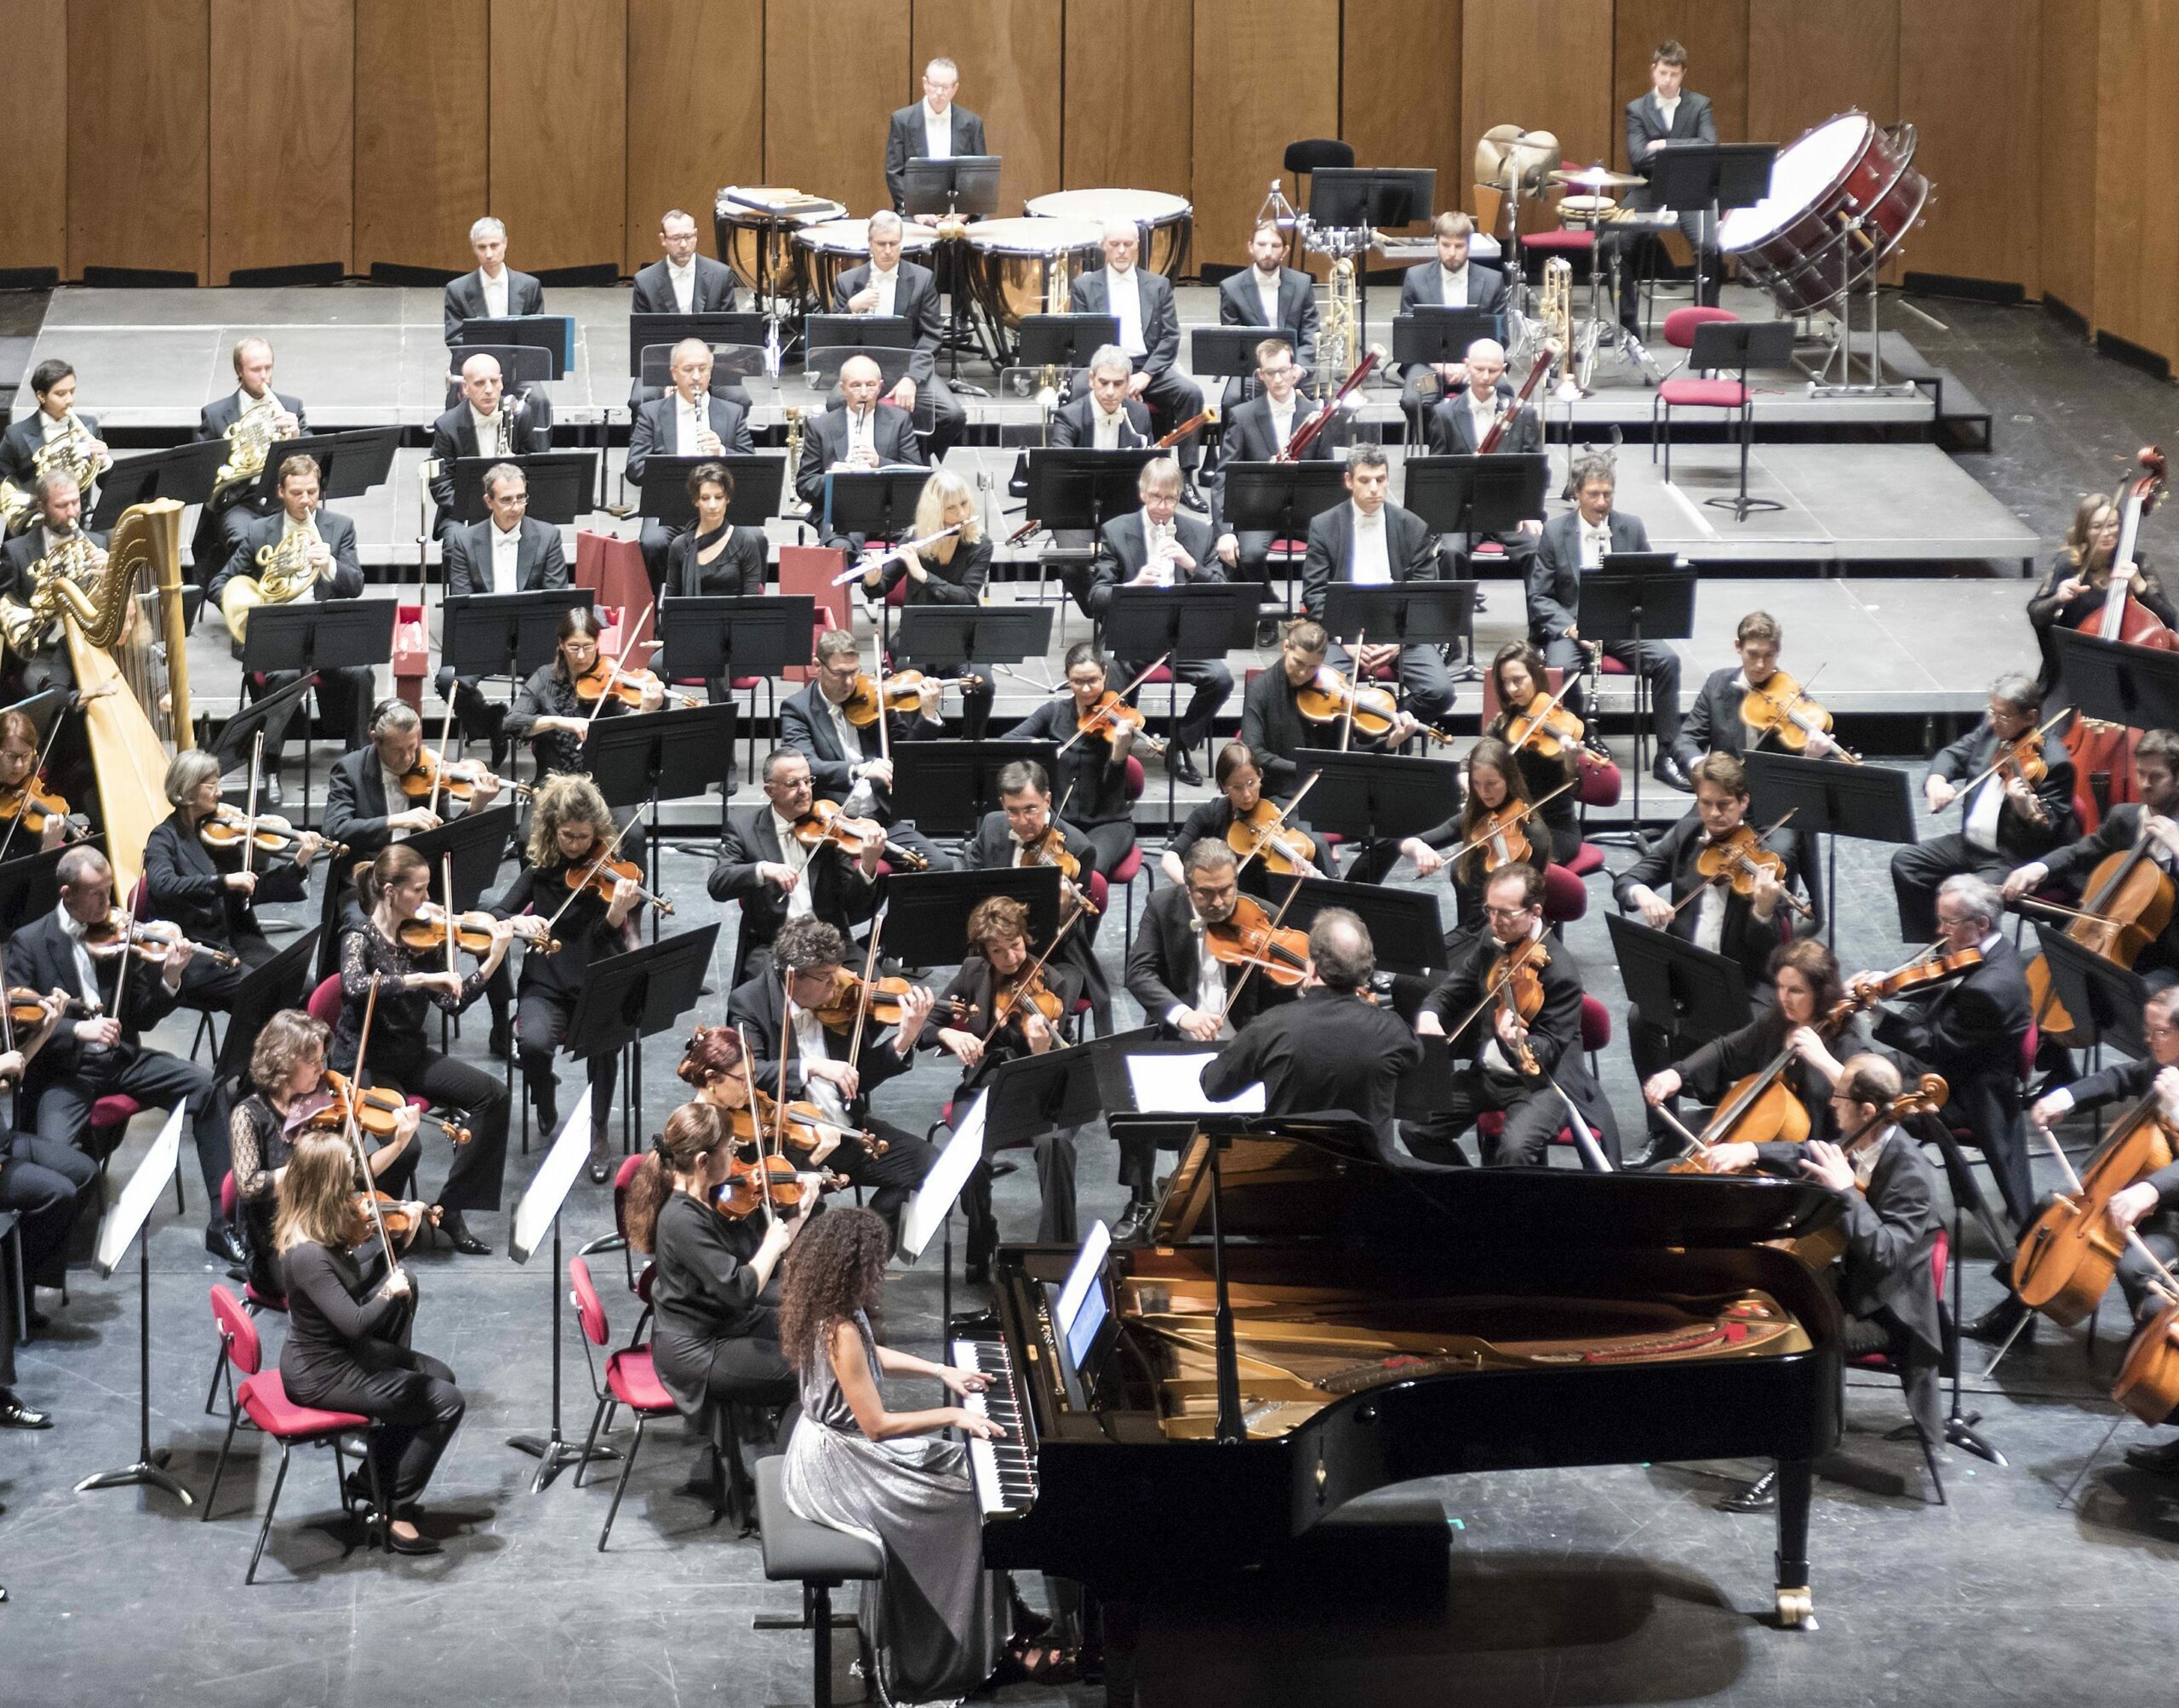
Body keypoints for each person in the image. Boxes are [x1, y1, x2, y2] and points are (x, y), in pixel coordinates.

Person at [778, 1206, 1072, 1700]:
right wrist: (955, 1416)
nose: (881, 1272)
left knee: (966, 1473)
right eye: (875, 1264)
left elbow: (870, 1357)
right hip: (839, 1466)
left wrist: (941, 1372)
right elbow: (877, 1426)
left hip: (833, 1447)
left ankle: (1001, 1623)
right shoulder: (841, 1329)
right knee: (962, 1503)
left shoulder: (830, 1308)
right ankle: (943, 1657)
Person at [1708, 1054, 1944, 1513]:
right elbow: (1811, 1151)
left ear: (1867, 1111)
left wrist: (1843, 1193)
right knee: (1768, 1295)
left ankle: (1797, 1451)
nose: (1832, 1105)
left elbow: (1888, 1253)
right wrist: (1752, 1150)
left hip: (1888, 1312)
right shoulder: (1861, 1138)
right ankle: (1770, 1419)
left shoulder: (1911, 1172)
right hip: (1855, 1287)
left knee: (1800, 1334)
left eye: (1839, 1098)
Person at [6, 845, 239, 1260]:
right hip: (65, 1073)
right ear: (67, 894)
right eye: (97, 894)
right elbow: (19, 1019)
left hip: (122, 1060)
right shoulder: (30, 943)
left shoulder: (119, 934)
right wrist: (77, 1028)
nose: (109, 903)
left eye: (111, 890)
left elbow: (143, 1016)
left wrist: (169, 979)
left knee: (206, 1086)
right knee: (55, 1157)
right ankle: (50, 1261)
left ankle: (223, 1223)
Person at [1614, 751, 1816, 1156]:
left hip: (1744, 983)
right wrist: (1645, 896)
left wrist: (1762, 909)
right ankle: (1662, 1128)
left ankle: (1749, 1130)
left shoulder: (1765, 855)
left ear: (1743, 803)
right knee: (1641, 1017)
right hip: (1689, 973)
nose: (1714, 814)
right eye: (1706, 803)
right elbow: (1630, 878)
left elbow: (1768, 955)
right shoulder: (1688, 834)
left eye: (1724, 805)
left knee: (1770, 1031)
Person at [274, 1130, 464, 1556]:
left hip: (341, 1355)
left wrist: (396, 1242)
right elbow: (355, 1321)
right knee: (446, 1401)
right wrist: (388, 1291)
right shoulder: (307, 1254)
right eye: (347, 1176)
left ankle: (370, 1480)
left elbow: (352, 1278)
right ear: (327, 1186)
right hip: (322, 1373)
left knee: (440, 1377)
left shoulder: (323, 1227)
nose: (355, 1184)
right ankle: (392, 1507)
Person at [2017, 987, 2179, 1461]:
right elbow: (2121, 1076)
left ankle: (2155, 1366)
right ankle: (2015, 1312)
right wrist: (2066, 1096)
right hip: (2152, 1201)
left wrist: (2152, 1186)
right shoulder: (2165, 1065)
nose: (2149, 1042)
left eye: (2159, 1033)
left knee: (2135, 1269)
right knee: (2046, 1210)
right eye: (2146, 1031)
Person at [625, 1097, 809, 1507]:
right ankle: (788, 1495)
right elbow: (741, 1287)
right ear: (705, 1159)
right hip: (697, 1349)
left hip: (721, 1322)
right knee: (811, 1378)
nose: (737, 1155)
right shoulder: (682, 1220)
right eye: (730, 1148)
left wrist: (797, 1212)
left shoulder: (704, 1198)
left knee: (808, 1326)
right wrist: (775, 1243)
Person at [335, 844, 516, 1255]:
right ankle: (378, 1224)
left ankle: (450, 1208)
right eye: (419, 890)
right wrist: (419, 980)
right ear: (389, 891)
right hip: (364, 1061)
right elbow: (355, 986)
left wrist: (492, 959)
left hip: (409, 1056)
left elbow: (452, 1002)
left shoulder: (423, 939)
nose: (428, 900)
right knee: (409, 1145)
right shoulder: (357, 934)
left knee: (494, 1095)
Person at [725, 917, 940, 1242]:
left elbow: (860, 1078)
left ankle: (865, 1250)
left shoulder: (839, 1003)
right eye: (825, 978)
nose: (835, 985)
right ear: (793, 975)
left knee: (931, 1165)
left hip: (847, 1132)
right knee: (809, 1222)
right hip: (793, 1143)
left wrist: (903, 1041)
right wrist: (811, 1066)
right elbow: (750, 1076)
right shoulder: (749, 1002)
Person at [1127, 840, 1302, 1232]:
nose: (1220, 901)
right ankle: (1139, 1200)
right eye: (1206, 893)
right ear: (1188, 886)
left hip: (1245, 1043)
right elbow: (1139, 973)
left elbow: (1282, 1000)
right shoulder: (1162, 906)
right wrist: (1183, 1016)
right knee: (1132, 1101)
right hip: (1180, 1039)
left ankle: (1260, 1199)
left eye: (1227, 889)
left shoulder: (1262, 915)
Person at [1851, 872, 2035, 1230]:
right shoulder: (1996, 948)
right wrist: (1888, 980)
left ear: (1981, 924)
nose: (1940, 931)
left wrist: (1876, 1013)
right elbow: (1942, 985)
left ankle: (1874, 1197)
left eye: (1949, 923)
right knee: (1860, 1070)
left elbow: (1935, 1047)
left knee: (1863, 1099)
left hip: (1965, 1092)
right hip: (1964, 1056)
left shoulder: (1988, 989)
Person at [487, 774, 646, 1183]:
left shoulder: (611, 873)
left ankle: (597, 1129)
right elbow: (498, 913)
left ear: (598, 833)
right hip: (548, 983)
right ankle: (544, 1093)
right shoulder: (541, 872)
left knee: (606, 1045)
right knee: (533, 1045)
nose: (575, 846)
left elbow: (603, 940)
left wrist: (616, 916)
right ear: (552, 830)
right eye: (567, 836)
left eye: (583, 837)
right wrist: (524, 925)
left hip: (597, 979)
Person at [1409, 863, 1621, 1166]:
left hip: (1542, 1084)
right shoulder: (1491, 940)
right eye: (1490, 910)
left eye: (1505, 913)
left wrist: (1518, 1043)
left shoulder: (1561, 973)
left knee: (1515, 1149)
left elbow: (1549, 1048)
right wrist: (1430, 1013)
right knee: (1416, 1128)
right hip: (1488, 1075)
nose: (1495, 921)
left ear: (1535, 912)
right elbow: (1453, 989)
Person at [929, 894, 1083, 1271]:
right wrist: (951, 1036)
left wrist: (1039, 1047)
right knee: (970, 1155)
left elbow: (1058, 1061)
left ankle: (1055, 1253)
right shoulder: (972, 973)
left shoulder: (1055, 981)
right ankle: (982, 1238)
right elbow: (932, 1021)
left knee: (1057, 1144)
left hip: (1039, 1083)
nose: (1011, 959)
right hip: (988, 1082)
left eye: (1014, 946)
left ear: (1025, 938)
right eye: (998, 952)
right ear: (985, 952)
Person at [230, 1008, 420, 1305]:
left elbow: (356, 1174)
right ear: (283, 1063)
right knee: (371, 1279)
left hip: (325, 1229)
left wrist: (398, 1144)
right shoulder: (249, 1115)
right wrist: (310, 1168)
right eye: (313, 1062)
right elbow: (249, 1185)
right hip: (280, 1248)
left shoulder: (323, 1108)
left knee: (397, 1249)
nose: (322, 1070)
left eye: (323, 1059)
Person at [209, 453, 373, 792]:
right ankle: (270, 766)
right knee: (284, 677)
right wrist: (252, 603)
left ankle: (358, 762)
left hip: (324, 638)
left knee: (361, 673)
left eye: (312, 492)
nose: (306, 500)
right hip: (277, 640)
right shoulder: (259, 532)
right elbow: (219, 584)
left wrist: (330, 564)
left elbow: (355, 584)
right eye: (297, 492)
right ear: (281, 491)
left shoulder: (340, 527)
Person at [1529, 454, 1685, 790]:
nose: (1602, 503)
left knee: (1667, 661)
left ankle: (1668, 754)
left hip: (1620, 625)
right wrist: (1571, 628)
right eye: (1594, 494)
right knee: (1561, 669)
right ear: (1576, 493)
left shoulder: (1632, 526)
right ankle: (1585, 736)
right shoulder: (1555, 533)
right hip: (1572, 627)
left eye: (1608, 494)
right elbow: (1539, 597)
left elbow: (1648, 583)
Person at [1640, 938, 1869, 1163]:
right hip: (1757, 1142)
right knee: (1663, 1170)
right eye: (1780, 986)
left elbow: (1869, 1099)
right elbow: (1727, 1051)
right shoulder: (1778, 1022)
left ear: (1821, 993)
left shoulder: (1847, 1044)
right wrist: (1678, 1074)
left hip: (1806, 1161)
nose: (1784, 998)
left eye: (1796, 991)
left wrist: (1823, 1060)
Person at [1202, 907, 1421, 1141]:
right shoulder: (1392, 1030)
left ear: (1312, 967)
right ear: (1365, 972)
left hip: (1295, 1169)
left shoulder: (1269, 1027)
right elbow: (1414, 1060)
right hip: (1369, 1171)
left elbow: (1213, 1086)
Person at [1080, 457, 1233, 784]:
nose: (1163, 507)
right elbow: (1097, 597)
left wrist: (1192, 565)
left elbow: (1222, 591)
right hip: (1131, 635)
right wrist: (1131, 587)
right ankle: (1113, 751)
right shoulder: (1117, 531)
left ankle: (1178, 745)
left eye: (1171, 499)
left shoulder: (1199, 533)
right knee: (1111, 664)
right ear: (1142, 493)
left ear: (1180, 496)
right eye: (1155, 497)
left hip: (1182, 635)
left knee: (1220, 678)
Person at [1892, 674, 2076, 943]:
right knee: (1906, 862)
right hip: (1970, 844)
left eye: (2002, 716)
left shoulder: (2055, 763)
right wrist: (1937, 780)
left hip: (2010, 857)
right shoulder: (1991, 732)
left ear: (2031, 717)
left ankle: (1974, 959)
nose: (1993, 721)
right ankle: (1937, 948)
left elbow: (2048, 830)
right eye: (1991, 712)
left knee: (1971, 902)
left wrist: (2023, 807)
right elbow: (1952, 755)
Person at [144, 748, 324, 1014]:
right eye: (212, 785)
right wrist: (223, 881)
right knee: (263, 998)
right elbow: (163, 885)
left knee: (303, 987)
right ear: (188, 789)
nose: (220, 793)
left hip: (236, 937)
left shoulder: (220, 833)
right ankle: (255, 1056)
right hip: (196, 950)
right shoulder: (164, 838)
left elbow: (253, 888)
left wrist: (298, 864)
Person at [2003, 727, 2179, 989]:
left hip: (2168, 959)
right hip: (2112, 942)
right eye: (2140, 773)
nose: (2144, 784)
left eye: (2156, 777)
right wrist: (2039, 868)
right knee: (2026, 968)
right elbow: (2079, 853)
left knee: (2127, 1000)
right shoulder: (2125, 817)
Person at [1300, 444, 1455, 727]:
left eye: (1380, 479)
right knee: (1323, 693)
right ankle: (1368, 734)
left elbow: (1424, 593)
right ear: (1349, 481)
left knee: (1440, 692)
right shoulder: (1324, 526)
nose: (1374, 488)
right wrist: (1343, 639)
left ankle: (1385, 724)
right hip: (1343, 629)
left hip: (1400, 631)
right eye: (1365, 480)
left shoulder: (1413, 526)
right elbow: (1315, 593)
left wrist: (1397, 642)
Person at [779, 626, 947, 871]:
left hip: (880, 821)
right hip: (830, 824)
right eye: (839, 674)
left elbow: (905, 755)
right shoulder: (797, 709)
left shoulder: (874, 698)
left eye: (854, 672)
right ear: (818, 666)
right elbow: (806, 766)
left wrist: (928, 715)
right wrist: (858, 770)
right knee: (846, 886)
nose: (849, 683)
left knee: (940, 866)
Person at [711, 748, 881, 986]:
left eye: (807, 781)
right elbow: (718, 884)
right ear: (770, 791)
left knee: (874, 994)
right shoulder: (743, 828)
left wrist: (868, 865)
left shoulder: (830, 826)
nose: (804, 790)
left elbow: (852, 905)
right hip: (774, 945)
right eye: (793, 784)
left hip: (828, 943)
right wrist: (762, 869)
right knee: (777, 994)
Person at [861, 467, 995, 741]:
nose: (962, 515)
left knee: (983, 684)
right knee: (910, 685)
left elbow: (968, 599)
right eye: (952, 509)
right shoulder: (915, 541)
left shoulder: (981, 545)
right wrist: (873, 579)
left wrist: (923, 576)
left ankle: (972, 744)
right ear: (935, 513)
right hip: (917, 636)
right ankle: (919, 746)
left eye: (965, 504)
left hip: (962, 638)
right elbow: (880, 588)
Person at [1070, 220, 1206, 486]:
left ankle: (1187, 477)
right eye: (1115, 244)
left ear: (1137, 247)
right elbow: (1083, 338)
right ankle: (1079, 469)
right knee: (1077, 390)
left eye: (1128, 244)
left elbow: (1170, 337)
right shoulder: (1084, 286)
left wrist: (1145, 375)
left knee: (1192, 393)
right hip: (1106, 365)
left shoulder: (1158, 285)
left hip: (1147, 368)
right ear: (1103, 247)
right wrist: (1116, 377)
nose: (1121, 250)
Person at [1210, 337, 1338, 620]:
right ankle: (1270, 607)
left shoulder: (1315, 416)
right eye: (1270, 372)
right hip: (1260, 511)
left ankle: (1314, 611)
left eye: (1283, 370)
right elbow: (1223, 478)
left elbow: (1329, 471)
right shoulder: (1242, 416)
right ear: (1260, 375)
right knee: (1251, 555)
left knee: (1336, 547)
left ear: (1295, 370)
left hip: (1306, 509)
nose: (1278, 378)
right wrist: (1225, 531)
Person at [1002, 643, 1145, 878]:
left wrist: (1119, 754)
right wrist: (1048, 749)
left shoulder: (1117, 722)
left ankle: (1087, 917)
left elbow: (1113, 796)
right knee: (1040, 871)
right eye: (1078, 681)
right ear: (1067, 678)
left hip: (1109, 823)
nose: (1087, 689)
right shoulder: (1054, 713)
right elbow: (1009, 740)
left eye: (1094, 680)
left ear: (1105, 675)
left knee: (1087, 871)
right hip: (1062, 822)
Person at [832, 209, 965, 460]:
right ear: (869, 244)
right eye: (881, 244)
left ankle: (915, 459)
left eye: (894, 244)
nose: (888, 250)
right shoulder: (847, 282)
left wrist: (911, 379)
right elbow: (834, 338)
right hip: (863, 370)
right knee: (835, 405)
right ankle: (853, 460)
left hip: (907, 366)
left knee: (952, 415)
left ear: (901, 243)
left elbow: (932, 336)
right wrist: (851, 307)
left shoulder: (922, 279)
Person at [626, 339, 756, 594]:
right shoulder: (651, 413)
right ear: (674, 373)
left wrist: (722, 452)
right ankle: (655, 614)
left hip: (721, 507)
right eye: (688, 370)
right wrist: (674, 466)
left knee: (756, 539)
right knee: (652, 543)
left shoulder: (732, 412)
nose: (696, 377)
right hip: (669, 509)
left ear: (711, 370)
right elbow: (635, 468)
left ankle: (747, 610)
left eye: (703, 369)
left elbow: (751, 467)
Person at [1614, 39, 1721, 334]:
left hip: (1689, 187)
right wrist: (1686, 149)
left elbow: (1709, 145)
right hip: (1647, 187)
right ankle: (1627, 323)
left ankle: (1706, 324)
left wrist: (1664, 145)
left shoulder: (1700, 104)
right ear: (1653, 70)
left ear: (1683, 73)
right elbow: (1638, 157)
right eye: (1663, 73)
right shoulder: (1636, 109)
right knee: (1616, 244)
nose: (1668, 80)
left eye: (1674, 75)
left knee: (1710, 246)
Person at [0, 996, 93, 1317]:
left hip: (4, 1139)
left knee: (83, 1172)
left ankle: (27, 1277)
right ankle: (14, 1292)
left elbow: (15, 1073)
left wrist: (46, 1030)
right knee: (58, 1193)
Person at [2028, 492, 2170, 699]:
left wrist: (2142, 589)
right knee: (2055, 731)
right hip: (2075, 674)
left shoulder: (2135, 562)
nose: (2107, 533)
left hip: (2129, 676)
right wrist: (2057, 598)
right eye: (2098, 527)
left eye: (2113, 525)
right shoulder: (2068, 565)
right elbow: (2036, 614)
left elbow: (2171, 622)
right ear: (2084, 530)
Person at [501, 603, 664, 783]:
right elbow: (510, 722)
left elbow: (629, 749)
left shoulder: (611, 680)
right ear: (561, 644)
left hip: (602, 784)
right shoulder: (544, 677)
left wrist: (646, 712)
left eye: (587, 646)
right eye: (574, 647)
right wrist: (559, 722)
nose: (581, 656)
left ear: (597, 643)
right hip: (553, 784)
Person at [1161, 740, 1338, 900]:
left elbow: (1316, 844)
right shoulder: (1209, 813)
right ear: (1223, 786)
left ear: (1260, 777)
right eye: (1237, 787)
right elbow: (1170, 857)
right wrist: (1192, 889)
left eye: (1252, 783)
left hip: (1271, 907)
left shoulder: (1277, 811)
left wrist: (1301, 880)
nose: (1246, 795)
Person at [191, 335, 306, 576]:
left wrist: (296, 436)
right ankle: (251, 604)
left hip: (282, 499)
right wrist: (238, 449)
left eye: (268, 368)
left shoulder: (291, 407)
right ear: (239, 371)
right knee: (245, 537)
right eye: (256, 369)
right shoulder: (215, 415)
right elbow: (201, 472)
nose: (264, 376)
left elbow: (311, 463)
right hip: (237, 502)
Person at [0, 472, 108, 702]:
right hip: (42, 654)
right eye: (61, 505)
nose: (71, 512)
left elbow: (114, 608)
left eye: (75, 502)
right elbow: (4, 613)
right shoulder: (16, 552)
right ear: (42, 506)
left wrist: (109, 576)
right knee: (55, 692)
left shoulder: (98, 543)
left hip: (89, 648)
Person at [426, 352, 553, 546]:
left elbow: (537, 468)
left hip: (512, 505)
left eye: (494, 382)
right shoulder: (447, 425)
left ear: (502, 383)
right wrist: (481, 509)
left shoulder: (520, 415)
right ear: (465, 388)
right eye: (479, 383)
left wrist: (517, 468)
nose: (488, 390)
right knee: (456, 543)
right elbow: (440, 484)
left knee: (544, 538)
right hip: (462, 511)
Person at [795, 354, 924, 545]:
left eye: (870, 385)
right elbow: (805, 485)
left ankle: (883, 576)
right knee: (841, 547)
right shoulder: (821, 427)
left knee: (921, 543)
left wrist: (880, 462)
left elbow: (915, 474)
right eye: (856, 386)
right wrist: (832, 478)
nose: (864, 393)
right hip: (842, 517)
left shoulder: (899, 421)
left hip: (888, 515)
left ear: (880, 387)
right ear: (843, 388)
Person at [1397, 213, 1509, 414]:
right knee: (1414, 399)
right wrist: (1441, 366)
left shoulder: (1492, 280)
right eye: (1446, 245)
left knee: (1502, 394)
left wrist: (1470, 366)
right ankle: (1438, 445)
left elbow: (1501, 338)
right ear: (1436, 242)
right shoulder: (1415, 278)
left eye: (1459, 246)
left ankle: (1482, 446)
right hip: (1430, 367)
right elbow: (1410, 337)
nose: (1451, 253)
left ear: (1469, 245)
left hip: (1478, 368)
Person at [1484, 642, 1585, 865]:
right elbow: (1477, 758)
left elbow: (1576, 783)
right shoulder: (1502, 723)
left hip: (1554, 830)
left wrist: (1570, 758)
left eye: (1518, 680)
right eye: (1505, 682)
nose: (1511, 689)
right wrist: (1466, 776)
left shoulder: (1562, 723)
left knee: (1513, 865)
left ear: (1536, 676)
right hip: (1512, 823)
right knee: (1470, 866)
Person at [1215, 223, 1319, 409]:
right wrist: (1265, 371)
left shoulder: (1302, 283)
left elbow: (1310, 334)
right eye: (1261, 245)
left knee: (1326, 401)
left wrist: (1299, 368)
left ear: (1285, 250)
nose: (1268, 251)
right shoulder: (1231, 288)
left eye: (1275, 245)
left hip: (1293, 366)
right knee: (1231, 401)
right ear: (1250, 247)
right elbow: (1234, 343)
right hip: (1253, 370)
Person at [884, 57, 988, 217]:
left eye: (946, 87)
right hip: (915, 211)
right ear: (925, 83)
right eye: (934, 85)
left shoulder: (972, 123)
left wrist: (965, 211)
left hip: (960, 211)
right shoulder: (902, 120)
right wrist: (916, 211)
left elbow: (980, 175)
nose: (939, 93)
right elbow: (895, 173)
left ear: (955, 89)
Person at [0, 359, 109, 503]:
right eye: (61, 394)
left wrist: (105, 462)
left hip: (79, 518)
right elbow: (2, 488)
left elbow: (105, 485)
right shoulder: (15, 435)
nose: (69, 399)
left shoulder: (90, 426)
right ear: (41, 396)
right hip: (35, 521)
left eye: (72, 391)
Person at [666, 460, 767, 601]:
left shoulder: (746, 542)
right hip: (692, 622)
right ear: (696, 501)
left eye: (718, 497)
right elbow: (671, 603)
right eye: (705, 498)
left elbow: (752, 604)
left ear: (727, 499)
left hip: (734, 621)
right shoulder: (679, 546)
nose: (713, 505)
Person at [441, 214, 542, 342]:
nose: (488, 254)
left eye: (494, 246)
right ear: (474, 248)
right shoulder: (456, 290)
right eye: (482, 247)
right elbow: (455, 338)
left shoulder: (530, 286)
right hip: (476, 359)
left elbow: (537, 334)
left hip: (518, 359)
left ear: (505, 243)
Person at [1048, 344, 1154, 453]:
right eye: (1104, 383)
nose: (1110, 392)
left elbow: (1147, 465)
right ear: (1091, 379)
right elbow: (1061, 465)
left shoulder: (1141, 414)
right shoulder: (1068, 417)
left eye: (1118, 384)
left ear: (1128, 383)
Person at [631, 207, 737, 315]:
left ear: (696, 235)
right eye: (676, 238)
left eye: (688, 236)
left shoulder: (721, 275)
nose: (683, 245)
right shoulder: (645, 281)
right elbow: (642, 329)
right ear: (663, 240)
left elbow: (731, 327)